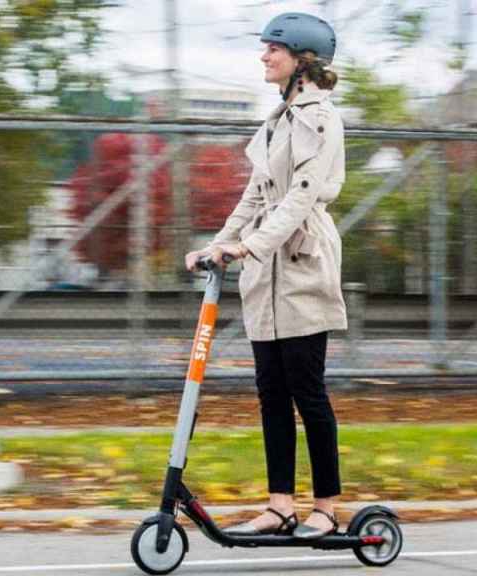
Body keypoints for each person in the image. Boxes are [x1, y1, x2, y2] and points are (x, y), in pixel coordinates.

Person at [183, 12, 347, 540]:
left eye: (273, 48)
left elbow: (300, 199)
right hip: (266, 268)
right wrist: (217, 244)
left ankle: (325, 506)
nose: (263, 56)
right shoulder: (276, 120)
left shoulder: (320, 119)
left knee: (308, 391)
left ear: (301, 59)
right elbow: (255, 196)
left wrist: (247, 246)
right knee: (271, 392)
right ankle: (280, 505)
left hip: (300, 261)